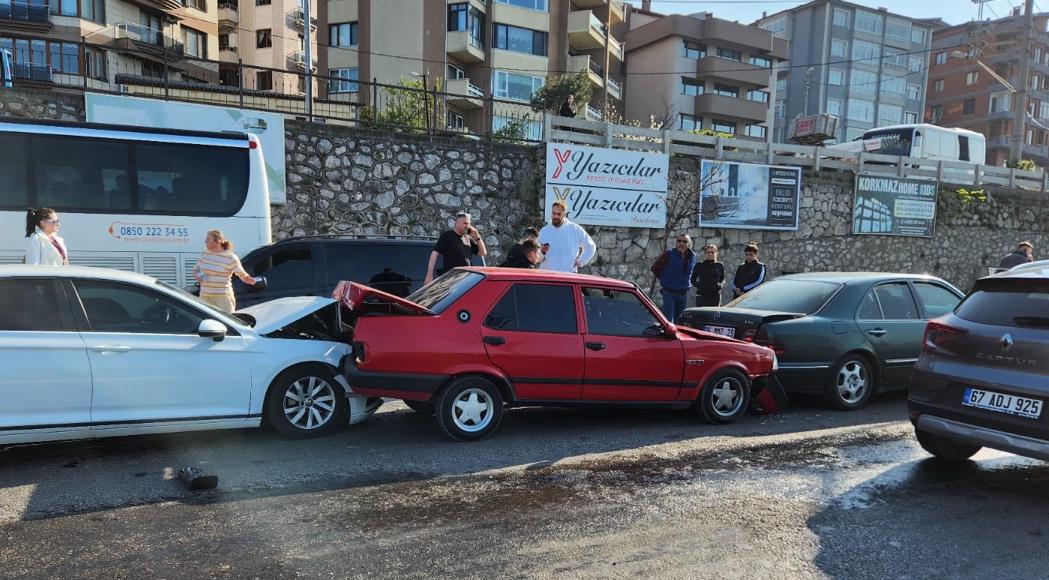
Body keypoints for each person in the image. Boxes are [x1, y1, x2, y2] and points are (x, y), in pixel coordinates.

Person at [193, 229, 256, 313]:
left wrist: (248, 279)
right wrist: (199, 276)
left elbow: (241, 273)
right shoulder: (205, 253)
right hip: (205, 297)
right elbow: (196, 269)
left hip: (223, 299)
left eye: (208, 239)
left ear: (217, 241)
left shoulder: (230, 257)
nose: (205, 241)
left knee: (225, 324)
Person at [425, 211, 488, 285]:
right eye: (465, 223)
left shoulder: (468, 239)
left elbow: (483, 253)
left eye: (469, 224)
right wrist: (429, 275)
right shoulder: (447, 236)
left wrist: (477, 237)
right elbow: (434, 254)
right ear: (457, 223)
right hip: (450, 281)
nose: (468, 226)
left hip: (465, 281)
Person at [539, 200, 596, 274]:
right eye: (554, 213)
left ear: (564, 214)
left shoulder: (575, 229)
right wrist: (541, 252)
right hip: (548, 275)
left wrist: (581, 261)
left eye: (559, 214)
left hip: (567, 276)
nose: (555, 216)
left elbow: (590, 246)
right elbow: (537, 255)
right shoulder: (544, 231)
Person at [651, 234, 698, 323]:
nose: (681, 243)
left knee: (680, 322)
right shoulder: (668, 254)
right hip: (669, 293)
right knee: (668, 322)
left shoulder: (692, 257)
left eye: (685, 241)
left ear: (689, 244)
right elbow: (655, 268)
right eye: (679, 241)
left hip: (683, 294)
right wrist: (666, 279)